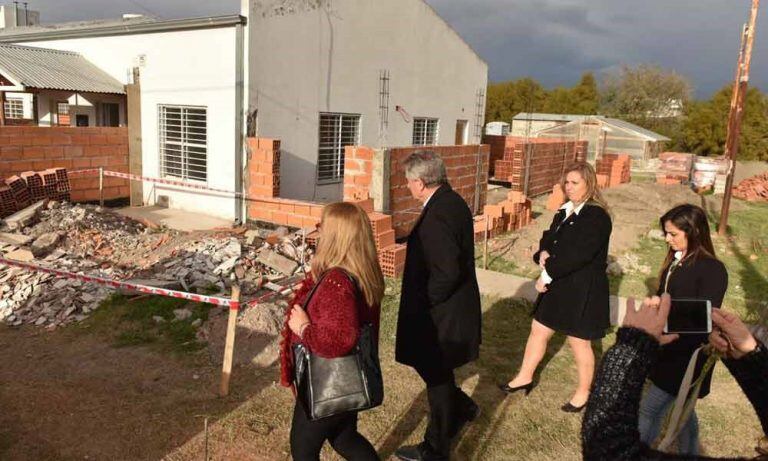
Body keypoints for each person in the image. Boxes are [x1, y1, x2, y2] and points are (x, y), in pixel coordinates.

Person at [582, 294, 768, 460]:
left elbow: (607, 449)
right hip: (668, 363)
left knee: (653, 410)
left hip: (677, 367)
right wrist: (749, 356)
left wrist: (630, 348)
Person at [500, 162, 611, 412]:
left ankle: (584, 393)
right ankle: (524, 377)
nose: (568, 187)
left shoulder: (596, 216)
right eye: (567, 183)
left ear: (589, 184)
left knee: (579, 342)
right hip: (561, 282)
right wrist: (543, 252)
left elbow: (578, 255)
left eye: (574, 183)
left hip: (582, 288)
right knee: (538, 329)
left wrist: (545, 276)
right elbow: (549, 237)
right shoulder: (565, 210)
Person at [279, 202, 385, 461]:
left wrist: (303, 327)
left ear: (336, 235)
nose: (319, 232)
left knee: (303, 450)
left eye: (322, 226)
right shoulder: (361, 273)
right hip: (346, 379)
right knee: (344, 437)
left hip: (327, 381)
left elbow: (340, 339)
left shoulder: (337, 282)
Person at [394, 150, 482, 461]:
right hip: (451, 307)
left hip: (443, 312)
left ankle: (436, 447)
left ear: (419, 182)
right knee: (433, 369)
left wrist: (425, 304)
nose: (407, 187)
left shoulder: (439, 214)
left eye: (408, 182)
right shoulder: (451, 200)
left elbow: (447, 272)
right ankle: (463, 406)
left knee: (437, 376)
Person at [638, 204, 728, 455]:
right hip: (667, 348)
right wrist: (656, 304)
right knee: (684, 414)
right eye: (666, 233)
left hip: (688, 353)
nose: (667, 239)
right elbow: (664, 295)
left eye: (673, 234)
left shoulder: (712, 269)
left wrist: (665, 309)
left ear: (695, 232)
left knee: (650, 409)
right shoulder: (675, 262)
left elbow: (704, 316)